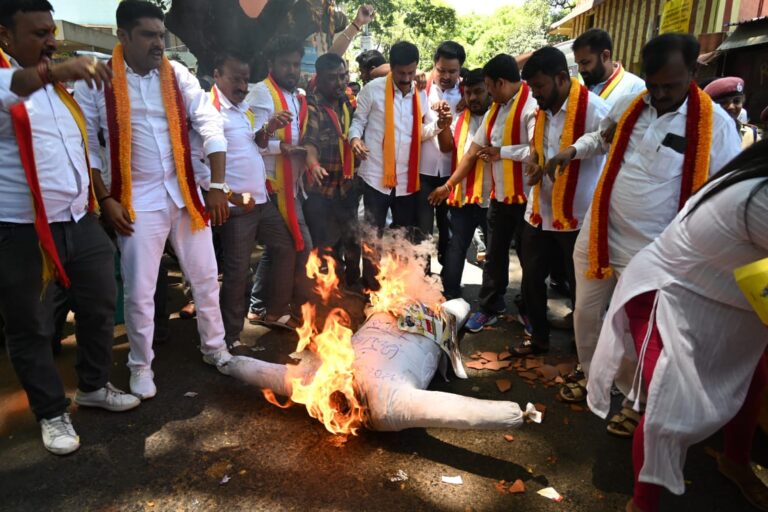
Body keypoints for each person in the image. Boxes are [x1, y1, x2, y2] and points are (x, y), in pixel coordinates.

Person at [548, 34, 741, 437]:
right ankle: (593, 375)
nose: (659, 94)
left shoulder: (716, 126)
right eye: (653, 85)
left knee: (641, 333)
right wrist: (572, 151)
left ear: (694, 71)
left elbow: (726, 196)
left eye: (670, 85)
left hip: (654, 251)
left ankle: (637, 398)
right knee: (586, 315)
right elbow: (602, 138)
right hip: (600, 232)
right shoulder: (632, 103)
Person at [587, 140, 768, 512]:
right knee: (668, 405)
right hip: (668, 297)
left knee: (752, 377)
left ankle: (736, 461)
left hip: (728, 301)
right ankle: (643, 504)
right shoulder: (759, 195)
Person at [0, 0, 140, 455]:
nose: (51, 41)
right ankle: (51, 412)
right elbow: (17, 85)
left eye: (51, 32)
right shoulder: (11, 78)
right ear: (5, 36)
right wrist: (56, 71)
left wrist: (99, 200)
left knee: (100, 303)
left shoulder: (59, 91)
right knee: (31, 326)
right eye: (38, 33)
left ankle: (94, 387)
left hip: (80, 220)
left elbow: (81, 148)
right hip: (22, 230)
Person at [76, 0, 233, 400]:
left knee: (205, 277)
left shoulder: (177, 73)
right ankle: (140, 365)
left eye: (161, 35)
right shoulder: (100, 79)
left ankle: (215, 347)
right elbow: (88, 144)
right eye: (148, 35)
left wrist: (217, 185)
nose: (158, 43)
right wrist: (105, 199)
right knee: (140, 290)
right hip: (136, 199)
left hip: (184, 193)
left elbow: (209, 122)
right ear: (123, 36)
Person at [430, 54, 537, 330]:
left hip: (525, 198)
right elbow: (470, 154)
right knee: (491, 257)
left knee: (529, 257)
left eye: (486, 88)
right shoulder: (495, 112)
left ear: (499, 84)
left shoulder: (531, 106)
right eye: (473, 91)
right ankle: (486, 306)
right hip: (492, 199)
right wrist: (448, 186)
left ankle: (531, 310)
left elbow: (538, 151)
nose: (481, 95)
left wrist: (503, 152)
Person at [513, 47, 608, 356]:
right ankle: (538, 338)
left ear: (561, 78)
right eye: (531, 87)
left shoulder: (595, 108)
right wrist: (534, 163)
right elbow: (537, 148)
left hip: (577, 216)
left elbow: (605, 142)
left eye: (539, 86)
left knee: (580, 287)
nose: (535, 94)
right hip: (539, 212)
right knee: (531, 279)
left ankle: (583, 353)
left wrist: (572, 152)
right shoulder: (540, 108)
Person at [202, 52, 296, 348]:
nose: (243, 86)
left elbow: (254, 145)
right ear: (217, 75)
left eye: (245, 79)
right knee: (237, 272)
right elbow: (198, 162)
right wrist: (228, 194)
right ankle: (229, 338)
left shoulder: (242, 109)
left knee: (285, 246)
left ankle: (274, 310)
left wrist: (268, 129)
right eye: (236, 79)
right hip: (236, 207)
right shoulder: (209, 111)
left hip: (261, 200)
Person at [348, 41, 450, 289]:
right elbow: (358, 122)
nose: (406, 79)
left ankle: (399, 289)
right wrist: (355, 140)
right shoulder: (372, 90)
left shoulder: (419, 94)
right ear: (391, 68)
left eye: (411, 73)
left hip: (407, 180)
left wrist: (439, 126)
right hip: (375, 176)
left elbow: (419, 133)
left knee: (402, 237)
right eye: (401, 73)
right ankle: (371, 288)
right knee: (372, 236)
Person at [246, 35, 313, 328]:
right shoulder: (261, 93)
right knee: (301, 245)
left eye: (296, 64)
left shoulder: (296, 95)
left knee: (277, 249)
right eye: (286, 64)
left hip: (293, 185)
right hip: (272, 185)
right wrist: (282, 148)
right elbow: (250, 140)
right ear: (271, 63)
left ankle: (258, 306)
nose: (292, 70)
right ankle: (283, 307)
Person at [426, 69, 492, 300]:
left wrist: (447, 186)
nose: (473, 98)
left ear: (490, 90)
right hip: (462, 195)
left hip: (492, 197)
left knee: (494, 251)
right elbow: (447, 148)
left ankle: (491, 302)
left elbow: (473, 155)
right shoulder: (460, 118)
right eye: (468, 93)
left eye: (478, 92)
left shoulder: (499, 116)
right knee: (456, 245)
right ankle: (449, 296)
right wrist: (444, 123)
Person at [303, 53, 363, 296]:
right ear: (319, 79)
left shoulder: (346, 101)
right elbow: (309, 143)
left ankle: (354, 285)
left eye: (342, 77)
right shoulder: (313, 106)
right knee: (325, 246)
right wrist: (314, 165)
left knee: (353, 240)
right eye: (332, 78)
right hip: (321, 191)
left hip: (346, 186)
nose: (339, 83)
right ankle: (330, 295)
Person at [417, 41, 466, 267]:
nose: (446, 76)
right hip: (423, 173)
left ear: (460, 69)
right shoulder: (421, 88)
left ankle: (447, 278)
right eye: (441, 70)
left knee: (449, 231)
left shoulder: (468, 93)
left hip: (451, 174)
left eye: (452, 71)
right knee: (423, 231)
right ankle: (423, 278)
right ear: (434, 66)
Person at [572, 28, 645, 107]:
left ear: (605, 56)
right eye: (578, 64)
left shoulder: (636, 89)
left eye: (585, 63)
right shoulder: (582, 86)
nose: (580, 69)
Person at [704, 76, 761, 149]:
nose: (731, 107)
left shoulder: (751, 135)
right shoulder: (700, 132)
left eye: (736, 101)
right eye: (723, 102)